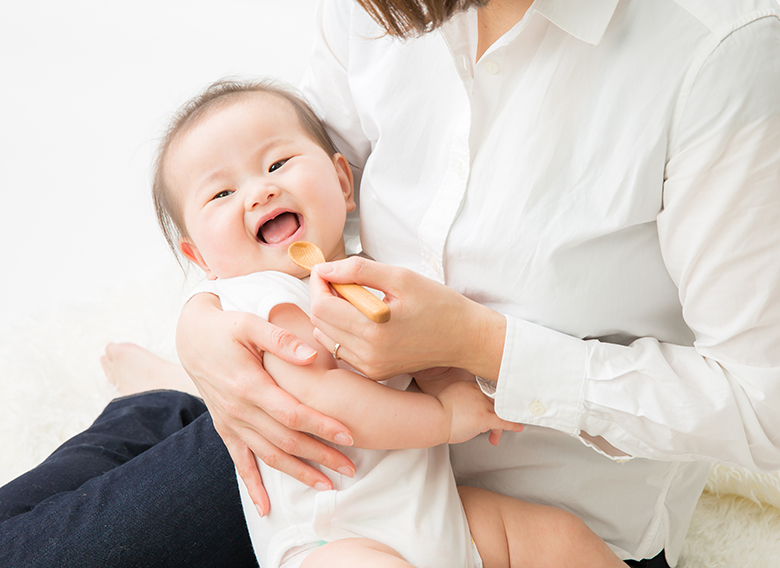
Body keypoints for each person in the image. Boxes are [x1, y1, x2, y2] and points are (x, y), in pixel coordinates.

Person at [172, 0, 780, 566]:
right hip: (338, 482)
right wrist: (200, 322)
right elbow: (297, 190)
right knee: (86, 538)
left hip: (531, 509)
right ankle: (155, 402)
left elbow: (765, 405)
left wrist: (483, 347)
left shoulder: (718, 45)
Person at [149, 78, 626, 567]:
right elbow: (333, 404)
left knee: (556, 538)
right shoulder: (262, 297)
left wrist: (453, 374)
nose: (260, 191)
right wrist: (446, 416)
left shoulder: (373, 278)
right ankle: (151, 395)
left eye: (277, 164)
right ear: (197, 255)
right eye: (222, 193)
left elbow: (421, 351)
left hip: (437, 514)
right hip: (335, 538)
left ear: (341, 183)